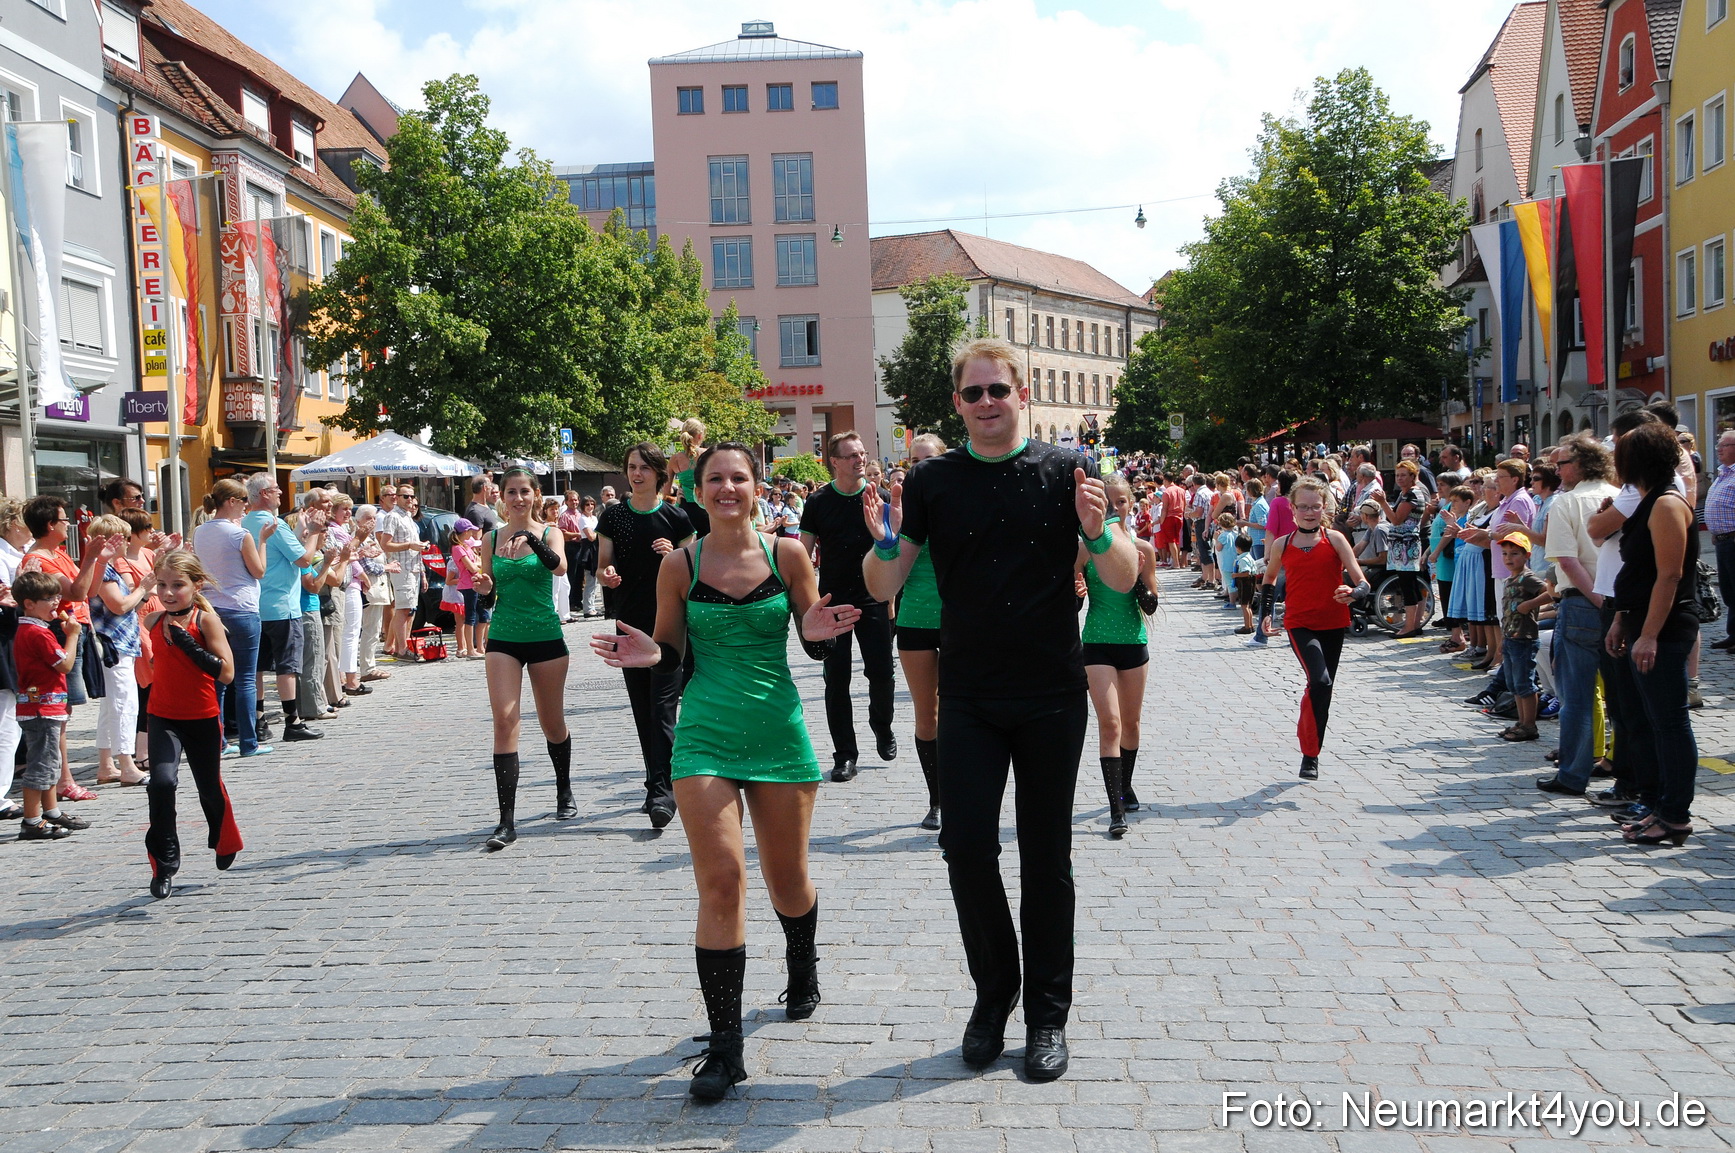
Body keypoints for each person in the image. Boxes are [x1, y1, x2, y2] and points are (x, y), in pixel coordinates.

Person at [862, 338, 1137, 1083]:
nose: (987, 403)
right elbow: (884, 584)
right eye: (973, 393)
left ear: (1022, 394)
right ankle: (995, 992)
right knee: (965, 847)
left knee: (1047, 857)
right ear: (957, 403)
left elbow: (1124, 571)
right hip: (972, 695)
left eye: (998, 390)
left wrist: (1095, 527)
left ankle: (1047, 1013)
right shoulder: (934, 481)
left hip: (1051, 692)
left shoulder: (1065, 471)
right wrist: (884, 538)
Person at [593, 441, 859, 1101]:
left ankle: (801, 959)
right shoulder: (679, 565)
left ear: (754, 483)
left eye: (738, 477)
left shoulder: (786, 553)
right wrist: (653, 652)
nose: (727, 487)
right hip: (704, 734)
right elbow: (672, 652)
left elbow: (809, 630)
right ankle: (725, 1046)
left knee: (787, 881)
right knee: (720, 882)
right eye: (715, 478)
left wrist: (821, 630)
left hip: (777, 732)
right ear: (697, 486)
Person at [1604, 421, 1700, 845]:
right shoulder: (1648, 502)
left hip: (1664, 627)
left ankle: (1674, 813)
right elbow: (1640, 574)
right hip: (1642, 620)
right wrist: (1624, 619)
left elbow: (1669, 576)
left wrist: (1648, 634)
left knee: (1669, 722)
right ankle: (1660, 804)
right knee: (1654, 721)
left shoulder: (1665, 504)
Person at [472, 467, 572, 849]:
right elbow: (488, 593)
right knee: (505, 719)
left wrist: (531, 536)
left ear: (535, 494)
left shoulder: (551, 533)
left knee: (552, 723)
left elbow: (559, 566)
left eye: (524, 492)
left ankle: (563, 788)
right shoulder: (490, 537)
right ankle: (506, 822)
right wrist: (483, 589)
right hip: (504, 638)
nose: (517, 498)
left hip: (546, 637)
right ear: (503, 496)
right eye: (511, 492)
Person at [598, 443, 695, 828]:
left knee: (663, 706)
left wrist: (673, 553)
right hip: (630, 622)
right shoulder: (613, 517)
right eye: (631, 467)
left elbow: (694, 572)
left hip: (669, 626)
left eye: (643, 468)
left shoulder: (676, 517)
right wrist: (607, 576)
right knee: (642, 709)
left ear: (658, 473)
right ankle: (657, 780)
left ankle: (662, 791)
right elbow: (605, 565)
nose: (636, 474)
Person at [141, 550, 242, 899]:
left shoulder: (206, 621)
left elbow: (226, 673)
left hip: (201, 717)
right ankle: (165, 861)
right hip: (163, 716)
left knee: (209, 787)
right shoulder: (153, 621)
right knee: (162, 783)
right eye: (163, 585)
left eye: (178, 585)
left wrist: (186, 642)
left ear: (196, 585)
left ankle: (224, 838)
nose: (168, 593)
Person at [801, 431, 897, 782]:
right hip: (833, 605)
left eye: (862, 453)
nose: (860, 459)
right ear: (835, 462)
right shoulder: (818, 501)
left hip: (874, 598)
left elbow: (896, 553)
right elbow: (803, 554)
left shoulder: (881, 497)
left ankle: (882, 725)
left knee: (882, 674)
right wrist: (806, 602)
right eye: (852, 455)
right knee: (836, 681)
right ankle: (845, 755)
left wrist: (892, 598)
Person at [1258, 476, 1367, 781]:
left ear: (1324, 507)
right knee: (1318, 680)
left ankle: (1311, 753)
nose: (1309, 512)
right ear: (1292, 508)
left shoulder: (1335, 539)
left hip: (1333, 622)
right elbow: (1269, 582)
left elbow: (1362, 582)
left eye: (1315, 507)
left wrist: (1352, 592)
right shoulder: (1283, 544)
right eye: (1303, 507)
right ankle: (1309, 750)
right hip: (1299, 623)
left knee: (1324, 688)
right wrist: (1265, 616)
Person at [19, 496, 122, 802]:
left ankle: (62, 779)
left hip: (74, 630)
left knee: (65, 710)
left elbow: (88, 591)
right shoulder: (40, 559)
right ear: (50, 525)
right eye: (64, 520)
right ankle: (62, 780)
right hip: (58, 632)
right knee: (57, 712)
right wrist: (90, 558)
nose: (69, 525)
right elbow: (76, 590)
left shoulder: (59, 553)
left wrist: (99, 559)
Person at [1075, 475, 1159, 838]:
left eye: (1121, 502)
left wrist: (1138, 576)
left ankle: (1125, 784)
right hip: (1096, 643)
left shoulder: (1144, 548)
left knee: (1132, 723)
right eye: (1108, 502)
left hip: (1133, 644)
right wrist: (1076, 592)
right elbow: (1073, 602)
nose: (1115, 509)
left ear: (1130, 505)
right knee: (1109, 724)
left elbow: (1151, 606)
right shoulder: (1084, 548)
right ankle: (1116, 808)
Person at [890, 433, 946, 831]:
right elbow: (888, 569)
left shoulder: (959, 501)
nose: (919, 468)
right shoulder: (900, 510)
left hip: (962, 622)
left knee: (963, 714)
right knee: (927, 716)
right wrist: (887, 534)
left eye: (928, 460)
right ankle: (936, 799)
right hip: (915, 621)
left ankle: (967, 792)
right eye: (913, 461)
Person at [241, 474, 324, 742]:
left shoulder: (244, 523)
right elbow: (303, 559)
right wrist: (313, 533)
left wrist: (301, 533)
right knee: (286, 667)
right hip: (281, 606)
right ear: (264, 493)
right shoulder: (273, 523)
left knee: (258, 668)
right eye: (276, 490)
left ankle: (259, 720)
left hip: (255, 605)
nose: (280, 494)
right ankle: (293, 721)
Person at [193, 480, 271, 756]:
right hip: (242, 608)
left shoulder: (199, 532)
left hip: (212, 609)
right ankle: (249, 742)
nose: (245, 507)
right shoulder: (240, 534)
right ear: (231, 502)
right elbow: (258, 570)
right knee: (246, 679)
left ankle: (220, 740)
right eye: (243, 502)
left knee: (219, 678)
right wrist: (262, 541)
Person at [11, 571, 89, 840]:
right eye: (49, 598)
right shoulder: (36, 633)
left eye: (57, 596)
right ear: (29, 603)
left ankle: (51, 811)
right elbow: (65, 664)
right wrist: (73, 635)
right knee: (41, 766)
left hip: (44, 707)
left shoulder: (35, 629)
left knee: (51, 763)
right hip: (40, 709)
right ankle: (31, 821)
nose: (56, 602)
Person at [85, 514, 154, 786]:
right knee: (124, 703)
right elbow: (120, 606)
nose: (127, 542)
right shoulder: (105, 570)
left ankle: (106, 764)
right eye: (123, 538)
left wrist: (141, 594)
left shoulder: (105, 568)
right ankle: (126, 764)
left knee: (111, 705)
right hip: (114, 644)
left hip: (119, 641)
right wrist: (142, 589)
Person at [1493, 533, 1550, 742]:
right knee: (1514, 684)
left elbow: (1550, 592)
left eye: (1514, 554)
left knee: (1525, 684)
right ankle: (1521, 721)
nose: (1509, 558)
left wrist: (1530, 605)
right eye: (1505, 554)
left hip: (1524, 638)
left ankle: (1529, 724)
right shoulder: (1510, 579)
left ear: (1526, 555)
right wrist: (1502, 641)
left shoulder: (1528, 578)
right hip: (1511, 638)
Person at [378, 484, 424, 659]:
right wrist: (409, 545)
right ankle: (402, 649)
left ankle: (401, 646)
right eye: (406, 496)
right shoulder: (392, 517)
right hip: (401, 567)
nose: (410, 500)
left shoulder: (409, 517)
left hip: (414, 567)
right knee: (403, 608)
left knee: (410, 609)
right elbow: (385, 544)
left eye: (412, 496)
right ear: (397, 498)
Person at [1708, 430, 1735, 653]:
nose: (1719, 448)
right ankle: (1733, 634)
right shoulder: (1724, 473)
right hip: (1723, 541)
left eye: (1725, 445)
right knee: (1729, 591)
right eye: (1719, 444)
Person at [669, 418, 711, 537]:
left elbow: (666, 492)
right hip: (706, 508)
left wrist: (675, 496)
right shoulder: (708, 454)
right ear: (700, 435)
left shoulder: (675, 459)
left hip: (684, 508)